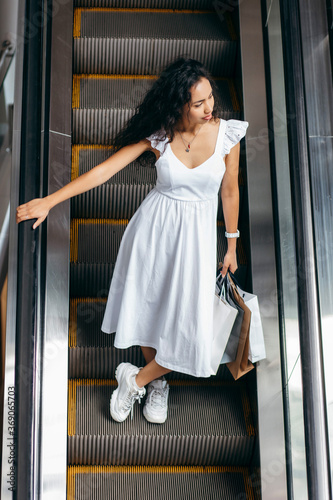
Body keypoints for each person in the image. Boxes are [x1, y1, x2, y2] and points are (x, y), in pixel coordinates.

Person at [16, 57, 249, 425]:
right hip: (152, 233)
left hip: (197, 241)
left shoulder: (227, 135)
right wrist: (50, 201)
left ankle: (137, 378)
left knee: (191, 327)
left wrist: (232, 244)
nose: (209, 109)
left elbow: (230, 191)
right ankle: (158, 382)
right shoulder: (160, 134)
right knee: (150, 312)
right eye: (198, 103)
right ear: (178, 105)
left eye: (210, 98)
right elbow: (105, 170)